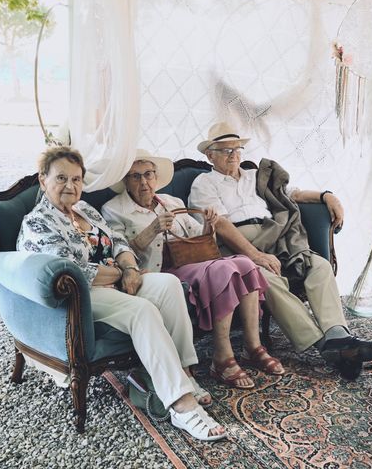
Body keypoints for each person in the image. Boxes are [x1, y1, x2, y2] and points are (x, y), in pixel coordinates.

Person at [16, 146, 225, 442]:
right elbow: (76, 270)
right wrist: (123, 274)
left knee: (167, 285)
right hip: (81, 296)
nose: (70, 186)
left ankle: (185, 373)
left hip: (117, 279)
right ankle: (181, 405)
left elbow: (118, 242)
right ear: (43, 180)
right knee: (142, 311)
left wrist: (129, 267)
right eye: (61, 178)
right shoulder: (39, 222)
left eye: (76, 179)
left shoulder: (85, 209)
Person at [189, 122, 372, 379]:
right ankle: (324, 346)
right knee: (264, 278)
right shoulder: (204, 182)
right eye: (225, 150)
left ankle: (338, 335)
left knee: (318, 266)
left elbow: (292, 194)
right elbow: (222, 225)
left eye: (237, 149)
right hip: (237, 247)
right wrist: (256, 255)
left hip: (276, 236)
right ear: (210, 155)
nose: (233, 155)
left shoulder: (255, 176)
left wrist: (328, 196)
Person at [102, 150, 284, 390]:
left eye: (148, 174)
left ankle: (253, 346)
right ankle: (221, 357)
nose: (144, 182)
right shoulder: (114, 210)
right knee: (224, 270)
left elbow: (198, 240)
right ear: (125, 181)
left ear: (156, 177)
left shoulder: (171, 202)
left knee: (245, 263)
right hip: (158, 272)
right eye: (135, 177)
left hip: (191, 263)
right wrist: (152, 230)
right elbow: (119, 251)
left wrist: (209, 225)